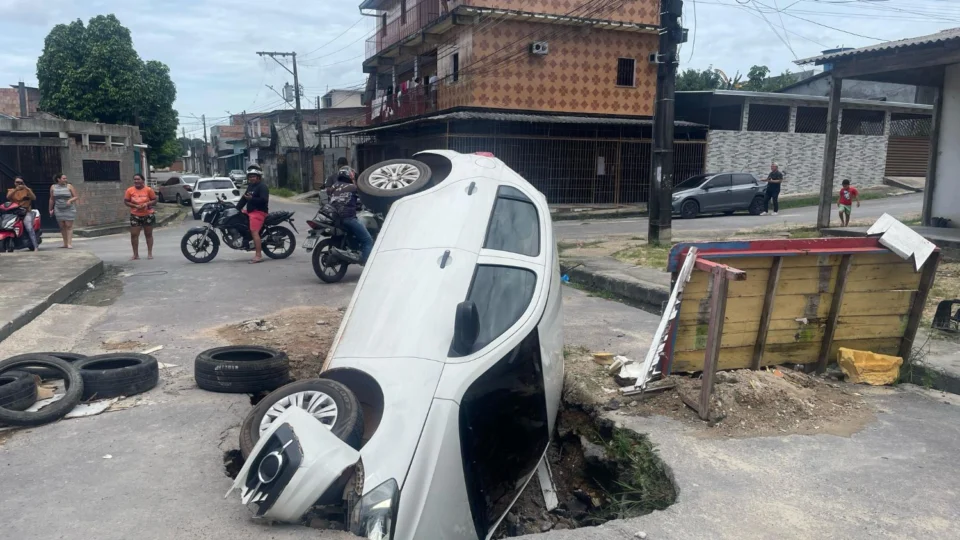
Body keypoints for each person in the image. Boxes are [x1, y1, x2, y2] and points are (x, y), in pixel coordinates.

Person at [327, 166, 373, 265]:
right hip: (348, 218)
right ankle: (365, 262)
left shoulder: (334, 186)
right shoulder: (352, 187)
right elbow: (362, 198)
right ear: (350, 176)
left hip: (335, 218)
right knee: (368, 240)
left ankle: (353, 249)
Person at [236, 165, 269, 263]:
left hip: (259, 212)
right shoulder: (250, 186)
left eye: (254, 176)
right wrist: (236, 209)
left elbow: (264, 200)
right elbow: (244, 198)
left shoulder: (262, 186)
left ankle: (258, 256)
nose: (252, 178)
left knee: (254, 232)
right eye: (250, 176)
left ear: (258, 177)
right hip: (250, 212)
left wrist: (252, 199)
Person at [124, 174, 158, 260]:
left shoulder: (148, 190)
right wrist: (135, 206)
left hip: (148, 214)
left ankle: (149, 253)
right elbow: (126, 202)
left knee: (148, 234)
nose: (136, 181)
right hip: (135, 215)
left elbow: (154, 200)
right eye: (135, 179)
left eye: (138, 179)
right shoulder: (130, 190)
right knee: (134, 235)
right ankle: (135, 254)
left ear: (142, 180)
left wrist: (146, 204)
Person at [6, 176, 38, 250]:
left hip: (26, 211)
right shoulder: (11, 190)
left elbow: (34, 198)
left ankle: (35, 246)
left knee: (29, 227)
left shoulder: (27, 190)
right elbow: (8, 197)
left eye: (21, 182)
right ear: (14, 183)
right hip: (15, 212)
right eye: (17, 182)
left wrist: (26, 188)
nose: (19, 184)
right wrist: (15, 190)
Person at [49, 173, 78, 248]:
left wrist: (70, 200)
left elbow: (76, 196)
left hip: (69, 208)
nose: (65, 180)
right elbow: (52, 199)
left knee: (69, 226)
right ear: (58, 179)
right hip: (58, 208)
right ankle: (65, 243)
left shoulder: (69, 186)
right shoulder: (53, 187)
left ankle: (69, 243)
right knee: (62, 226)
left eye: (66, 178)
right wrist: (50, 209)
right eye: (64, 178)